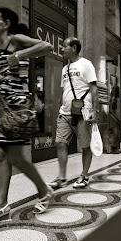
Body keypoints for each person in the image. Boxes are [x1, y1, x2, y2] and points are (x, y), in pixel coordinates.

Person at [0, 7, 54, 225]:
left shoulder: (16, 40)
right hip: (2, 110)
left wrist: (18, 55)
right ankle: (1, 205)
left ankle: (44, 190)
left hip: (18, 109)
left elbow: (47, 46)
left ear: (7, 23)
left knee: (17, 158)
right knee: (1, 155)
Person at [48, 37, 99, 189]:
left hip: (83, 111)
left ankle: (84, 175)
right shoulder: (65, 69)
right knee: (60, 143)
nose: (62, 49)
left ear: (74, 48)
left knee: (84, 146)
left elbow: (94, 89)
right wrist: (58, 109)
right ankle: (62, 177)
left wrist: (94, 111)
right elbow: (63, 91)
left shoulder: (86, 64)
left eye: (65, 46)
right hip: (64, 112)